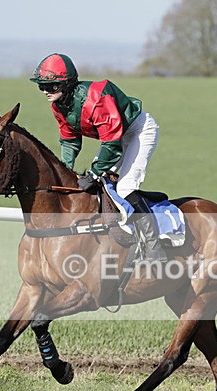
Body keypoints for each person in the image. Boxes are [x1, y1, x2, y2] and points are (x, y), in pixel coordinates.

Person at [29, 52, 167, 263]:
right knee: (96, 184)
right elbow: (69, 141)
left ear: (67, 84)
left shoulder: (97, 98)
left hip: (138, 131)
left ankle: (154, 247)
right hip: (115, 136)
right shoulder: (59, 106)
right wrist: (63, 172)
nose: (46, 91)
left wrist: (94, 172)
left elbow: (112, 143)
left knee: (125, 187)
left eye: (52, 86)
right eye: (42, 87)